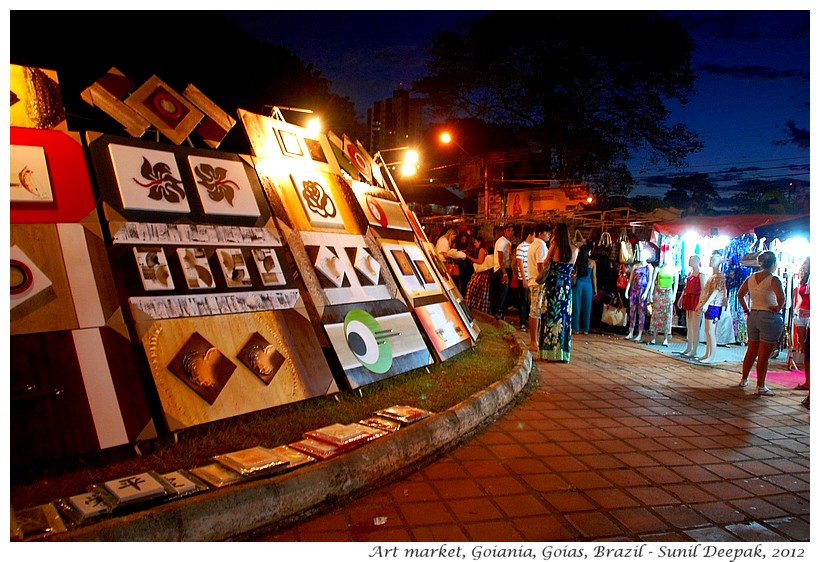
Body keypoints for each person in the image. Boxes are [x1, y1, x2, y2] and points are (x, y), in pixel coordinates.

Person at [737, 251, 786, 395]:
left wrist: (746, 309)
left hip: (754, 314)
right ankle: (761, 386)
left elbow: (740, 294)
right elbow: (781, 298)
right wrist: (777, 308)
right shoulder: (773, 279)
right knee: (764, 354)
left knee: (751, 350)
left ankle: (744, 379)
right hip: (768, 316)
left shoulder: (751, 278)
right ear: (774, 263)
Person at [537, 222, 577, 362]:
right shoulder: (574, 250)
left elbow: (545, 263)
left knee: (550, 317)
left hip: (553, 286)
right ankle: (562, 353)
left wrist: (551, 248)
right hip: (565, 288)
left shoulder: (554, 248)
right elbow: (571, 270)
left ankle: (548, 352)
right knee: (564, 319)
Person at [695, 251, 729, 364]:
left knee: (711, 331)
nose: (711, 261)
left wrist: (706, 303)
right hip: (710, 304)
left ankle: (711, 355)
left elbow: (716, 291)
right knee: (707, 330)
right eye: (711, 259)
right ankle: (707, 353)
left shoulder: (720, 276)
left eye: (713, 260)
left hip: (714, 305)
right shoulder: (712, 276)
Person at [526, 224, 552, 351]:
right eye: (547, 233)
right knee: (535, 311)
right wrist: (544, 280)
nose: (549, 235)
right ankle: (534, 341)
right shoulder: (541, 245)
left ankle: (534, 340)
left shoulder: (533, 245)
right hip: (538, 282)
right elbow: (540, 265)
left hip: (533, 280)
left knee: (534, 311)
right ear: (540, 233)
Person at [677, 254, 706, 358]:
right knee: (689, 325)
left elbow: (703, 290)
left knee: (695, 326)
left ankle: (694, 349)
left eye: (692, 259)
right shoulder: (690, 273)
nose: (690, 261)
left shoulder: (701, 274)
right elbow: (685, 288)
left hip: (696, 299)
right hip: (689, 299)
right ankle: (689, 346)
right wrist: (680, 299)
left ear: (697, 261)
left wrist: (700, 303)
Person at [648, 252, 679, 346]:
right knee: (656, 315)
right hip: (658, 292)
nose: (666, 258)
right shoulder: (658, 269)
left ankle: (665, 338)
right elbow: (653, 282)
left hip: (668, 293)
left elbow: (676, 284)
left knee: (667, 315)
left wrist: (674, 295)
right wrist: (651, 294)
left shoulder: (674, 270)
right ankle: (654, 336)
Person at [623, 251, 654, 342]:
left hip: (643, 290)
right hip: (634, 290)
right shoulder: (635, 266)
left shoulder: (649, 267)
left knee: (642, 312)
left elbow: (650, 281)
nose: (641, 256)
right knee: (632, 311)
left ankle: (640, 333)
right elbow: (630, 280)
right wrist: (627, 290)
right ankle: (631, 331)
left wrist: (646, 292)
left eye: (642, 254)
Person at [571, 243, 597, 335]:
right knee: (587, 307)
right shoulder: (592, 262)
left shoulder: (577, 261)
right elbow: (594, 276)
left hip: (578, 283)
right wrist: (595, 288)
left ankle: (575, 328)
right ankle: (586, 329)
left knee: (576, 306)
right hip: (588, 285)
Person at [491, 224, 514, 320]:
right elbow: (500, 259)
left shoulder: (507, 242)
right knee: (502, 291)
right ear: (505, 231)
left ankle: (501, 312)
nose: (511, 232)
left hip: (506, 267)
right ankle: (498, 312)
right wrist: (504, 273)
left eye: (512, 231)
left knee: (504, 292)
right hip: (501, 269)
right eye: (509, 230)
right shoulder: (501, 242)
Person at [793, 257, 810, 390]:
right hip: (801, 313)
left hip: (810, 314)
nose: (803, 265)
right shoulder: (804, 280)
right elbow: (800, 296)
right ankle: (807, 379)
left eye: (806, 263)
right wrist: (796, 309)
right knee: (804, 345)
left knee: (809, 346)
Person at [465, 237, 493, 314]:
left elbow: (480, 261)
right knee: (482, 293)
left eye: (475, 242)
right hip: (485, 274)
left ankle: (472, 306)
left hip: (481, 274)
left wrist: (468, 257)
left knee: (472, 287)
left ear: (479, 242)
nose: (474, 244)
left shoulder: (481, 250)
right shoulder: (484, 250)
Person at [516, 227, 534, 331]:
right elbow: (520, 264)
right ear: (529, 235)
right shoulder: (520, 247)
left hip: (532, 277)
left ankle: (528, 319)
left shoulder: (534, 247)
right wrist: (523, 278)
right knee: (523, 299)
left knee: (531, 300)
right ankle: (523, 321)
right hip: (524, 276)